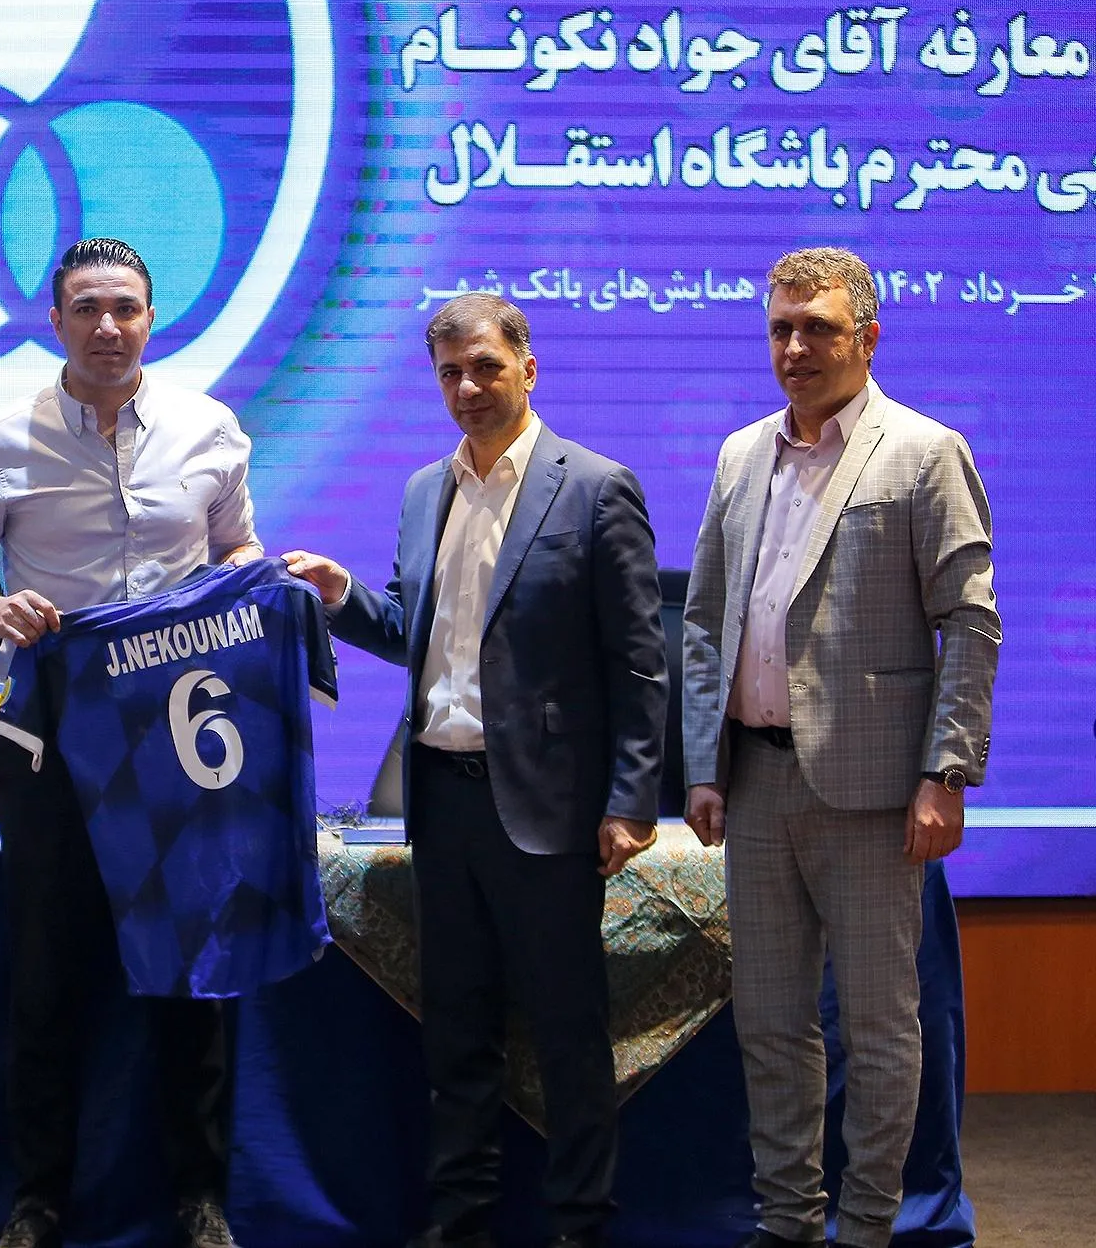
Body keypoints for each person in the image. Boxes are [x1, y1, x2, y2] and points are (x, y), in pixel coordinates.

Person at [284, 292, 666, 1248]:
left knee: (569, 1032)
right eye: (451, 372)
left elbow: (638, 661)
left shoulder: (596, 486)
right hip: (442, 803)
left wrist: (630, 798)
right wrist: (342, 595)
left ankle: (579, 1225)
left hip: (545, 807)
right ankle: (461, 1223)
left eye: (486, 366)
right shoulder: (426, 489)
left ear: (528, 368)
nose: (468, 387)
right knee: (456, 1034)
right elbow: (412, 630)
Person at [0, 238, 263, 1248]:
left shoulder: (209, 428)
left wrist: (238, 579)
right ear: (55, 322)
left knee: (192, 975)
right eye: (85, 309)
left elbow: (239, 544)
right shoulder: (0, 440)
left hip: (180, 733)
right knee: (46, 976)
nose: (107, 327)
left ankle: (199, 1198)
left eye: (124, 308)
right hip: (52, 736)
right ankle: (38, 1201)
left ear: (151, 318)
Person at [680, 247, 998, 1248]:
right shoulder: (740, 455)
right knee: (770, 1025)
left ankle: (864, 1228)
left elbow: (969, 622)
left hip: (873, 793)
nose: (794, 346)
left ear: (866, 337)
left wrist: (945, 771)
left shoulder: (923, 451)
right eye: (780, 327)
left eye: (816, 327)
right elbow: (703, 622)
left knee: (876, 1028)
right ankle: (787, 1223)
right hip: (755, 782)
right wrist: (701, 764)